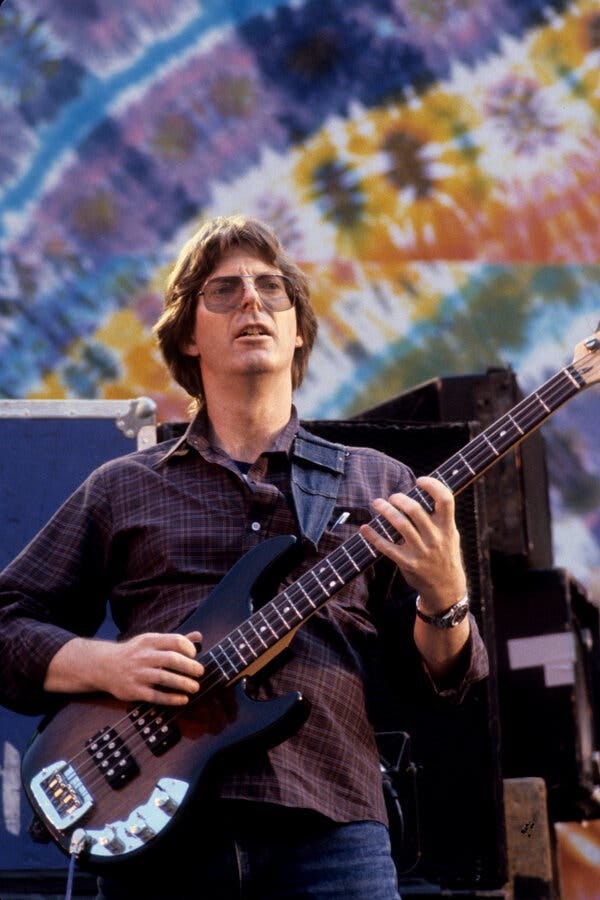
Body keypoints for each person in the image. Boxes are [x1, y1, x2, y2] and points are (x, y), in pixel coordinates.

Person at [0, 215, 488, 899]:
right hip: (151, 831)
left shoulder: (377, 484)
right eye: (223, 291)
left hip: (330, 823)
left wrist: (446, 596)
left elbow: (444, 682)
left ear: (298, 331)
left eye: (271, 289)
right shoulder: (123, 486)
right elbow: (6, 624)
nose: (252, 302)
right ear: (188, 336)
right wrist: (106, 662)